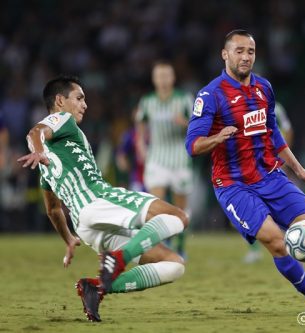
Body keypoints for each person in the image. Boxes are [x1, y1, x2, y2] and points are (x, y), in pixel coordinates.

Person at [17, 76, 189, 322]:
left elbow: (53, 210)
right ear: (60, 100)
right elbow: (36, 132)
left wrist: (69, 240)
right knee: (178, 216)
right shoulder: (62, 120)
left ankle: (96, 287)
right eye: (79, 98)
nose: (84, 105)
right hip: (97, 199)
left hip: (84, 226)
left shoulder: (47, 165)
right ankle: (120, 259)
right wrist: (38, 150)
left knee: (174, 265)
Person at [185, 29, 305, 316]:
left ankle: (292, 242)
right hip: (233, 185)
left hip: (270, 176)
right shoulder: (210, 95)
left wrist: (298, 169)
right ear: (225, 55)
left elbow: (273, 133)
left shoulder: (264, 88)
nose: (245, 56)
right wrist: (217, 138)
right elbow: (193, 145)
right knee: (277, 242)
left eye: (250, 51)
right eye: (239, 51)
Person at [136, 61, 194, 258]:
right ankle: (163, 245)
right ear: (153, 79)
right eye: (158, 76)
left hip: (179, 159)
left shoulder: (184, 99)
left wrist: (184, 123)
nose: (162, 80)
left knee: (180, 208)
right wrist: (141, 147)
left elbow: (199, 127)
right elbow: (140, 126)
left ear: (173, 78)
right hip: (157, 159)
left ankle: (181, 245)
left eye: (166, 75)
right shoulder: (147, 101)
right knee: (157, 205)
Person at [243, 100, 294, 264]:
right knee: (248, 208)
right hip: (248, 167)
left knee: (278, 203)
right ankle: (254, 250)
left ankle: (290, 240)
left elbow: (288, 130)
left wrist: (282, 155)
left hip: (272, 164)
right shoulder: (235, 108)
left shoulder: (275, 107)